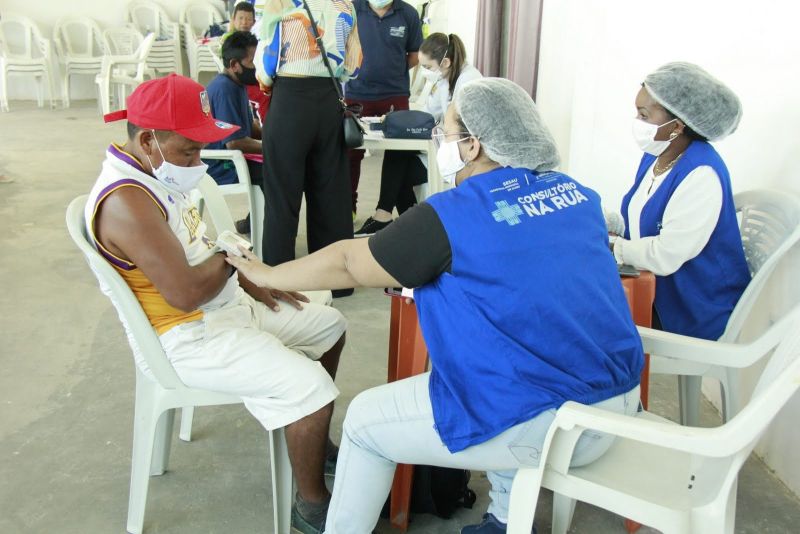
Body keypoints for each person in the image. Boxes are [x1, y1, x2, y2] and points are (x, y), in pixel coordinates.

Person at [227, 78, 645, 534]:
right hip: (619, 406)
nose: (440, 143)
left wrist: (265, 274)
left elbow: (349, 262)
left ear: (472, 145)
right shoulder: (577, 194)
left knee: (366, 424)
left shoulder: (453, 213)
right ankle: (505, 520)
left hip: (546, 427)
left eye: (445, 133)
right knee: (503, 367)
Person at [86, 74, 347, 533]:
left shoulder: (156, 171)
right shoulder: (127, 201)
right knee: (311, 391)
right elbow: (185, 292)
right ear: (148, 140)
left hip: (218, 313)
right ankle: (313, 507)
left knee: (329, 325)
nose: (198, 161)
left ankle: (311, 437)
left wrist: (246, 279)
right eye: (189, 150)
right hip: (185, 337)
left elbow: (196, 248)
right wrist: (235, 263)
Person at [607, 62, 750, 340]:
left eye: (644, 114)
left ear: (677, 126)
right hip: (663, 290)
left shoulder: (702, 173)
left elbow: (665, 255)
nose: (637, 122)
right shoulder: (657, 155)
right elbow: (641, 218)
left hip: (693, 307)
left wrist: (615, 247)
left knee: (593, 317)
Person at [255, 0, 362, 298]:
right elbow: (353, 63)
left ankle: (278, 283)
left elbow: (267, 63)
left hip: (290, 99)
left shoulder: (278, 2)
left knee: (282, 197)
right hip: (329, 99)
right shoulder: (346, 5)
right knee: (331, 195)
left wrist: (267, 83)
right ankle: (335, 283)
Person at [355, 32, 482, 235]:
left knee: (399, 172)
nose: (424, 72)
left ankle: (397, 222)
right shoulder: (445, 79)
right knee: (396, 156)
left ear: (446, 62)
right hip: (444, 145)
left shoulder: (469, 82)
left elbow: (462, 128)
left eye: (427, 67)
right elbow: (428, 113)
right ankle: (402, 223)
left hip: (464, 155)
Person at [346, 0, 423, 217]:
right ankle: (348, 208)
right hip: (356, 93)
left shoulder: (407, 13)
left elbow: (414, 54)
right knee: (351, 152)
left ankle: (384, 211)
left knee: (399, 152)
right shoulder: (351, 8)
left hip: (395, 93)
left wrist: (392, 70)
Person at [205, 31, 263, 234]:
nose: (257, 66)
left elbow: (249, 127)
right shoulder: (224, 89)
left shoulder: (237, 84)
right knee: (278, 171)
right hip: (220, 165)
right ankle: (262, 227)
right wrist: (273, 147)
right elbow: (234, 142)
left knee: (284, 164)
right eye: (252, 61)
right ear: (234, 64)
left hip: (232, 157)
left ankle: (256, 221)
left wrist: (277, 135)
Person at [222, 1, 271, 125]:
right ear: (233, 20)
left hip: (252, 78)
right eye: (241, 18)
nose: (244, 22)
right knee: (264, 95)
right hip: (239, 80)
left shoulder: (253, 40)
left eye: (249, 19)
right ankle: (266, 126)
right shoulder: (228, 40)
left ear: (254, 22)